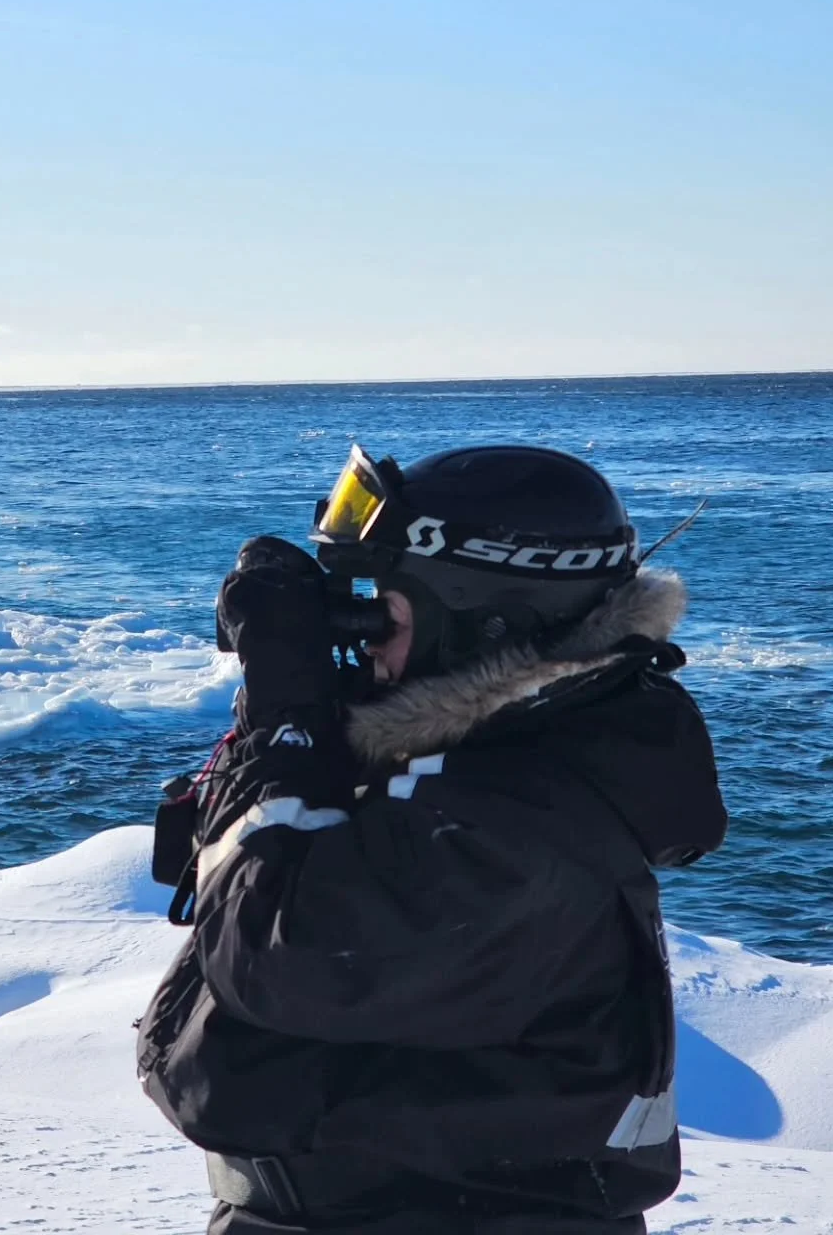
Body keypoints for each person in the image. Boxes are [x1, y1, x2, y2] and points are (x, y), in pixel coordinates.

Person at [138, 444, 727, 1235]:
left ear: (482, 614)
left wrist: (287, 732)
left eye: (386, 605)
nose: (363, 632)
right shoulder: (480, 761)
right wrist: (305, 731)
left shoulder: (529, 813)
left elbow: (287, 961)